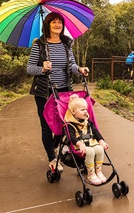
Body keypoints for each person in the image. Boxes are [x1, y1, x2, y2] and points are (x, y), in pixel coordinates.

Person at [27, 11, 89, 173]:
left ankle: (56, 146)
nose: (57, 25)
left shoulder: (66, 44)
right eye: (53, 22)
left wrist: (80, 69)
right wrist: (42, 68)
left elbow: (71, 66)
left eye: (60, 22)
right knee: (47, 126)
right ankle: (52, 158)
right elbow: (30, 68)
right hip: (45, 92)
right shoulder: (39, 45)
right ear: (47, 25)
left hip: (64, 92)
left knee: (64, 125)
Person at [65, 94, 109, 185]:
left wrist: (101, 141)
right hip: (79, 146)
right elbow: (71, 137)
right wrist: (80, 144)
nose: (85, 111)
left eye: (86, 109)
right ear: (73, 112)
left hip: (91, 143)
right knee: (90, 152)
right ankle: (91, 174)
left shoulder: (88, 122)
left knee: (100, 149)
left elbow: (95, 132)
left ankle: (99, 171)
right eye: (82, 110)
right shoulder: (70, 125)